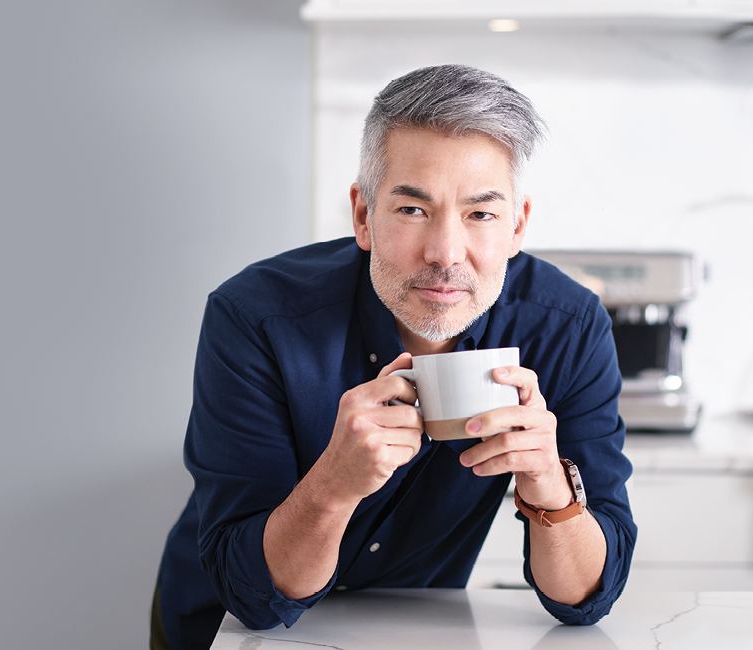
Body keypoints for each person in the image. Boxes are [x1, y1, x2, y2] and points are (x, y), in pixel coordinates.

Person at [151, 64, 636, 650]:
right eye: (412, 210)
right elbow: (252, 597)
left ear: (516, 225)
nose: (444, 253)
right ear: (362, 215)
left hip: (412, 631)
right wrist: (332, 485)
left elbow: (588, 599)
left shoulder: (568, 326)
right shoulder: (255, 316)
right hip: (226, 629)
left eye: (480, 214)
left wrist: (549, 485)